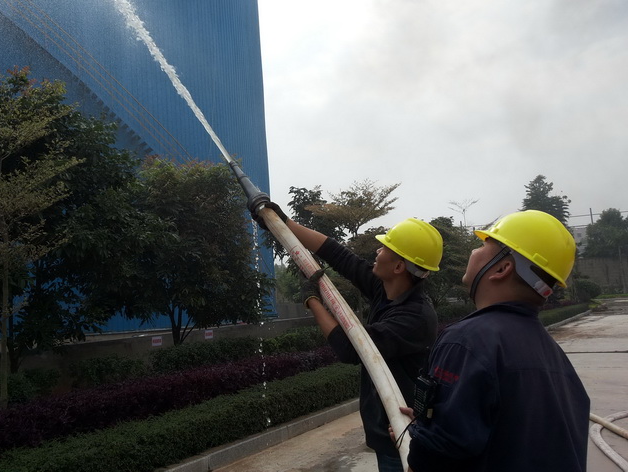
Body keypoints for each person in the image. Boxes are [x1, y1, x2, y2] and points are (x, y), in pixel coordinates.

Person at [253, 201, 442, 472]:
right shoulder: (388, 290)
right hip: (386, 432)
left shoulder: (415, 318)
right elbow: (339, 255)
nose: (377, 251)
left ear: (399, 267)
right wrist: (284, 224)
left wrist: (312, 300)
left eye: (385, 248)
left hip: (401, 440)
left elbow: (351, 348)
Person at [402, 209, 590, 472]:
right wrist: (433, 420)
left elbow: (437, 455)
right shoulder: (553, 355)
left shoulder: (466, 341)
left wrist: (426, 443)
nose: (473, 250)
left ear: (502, 268)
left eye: (483, 245)